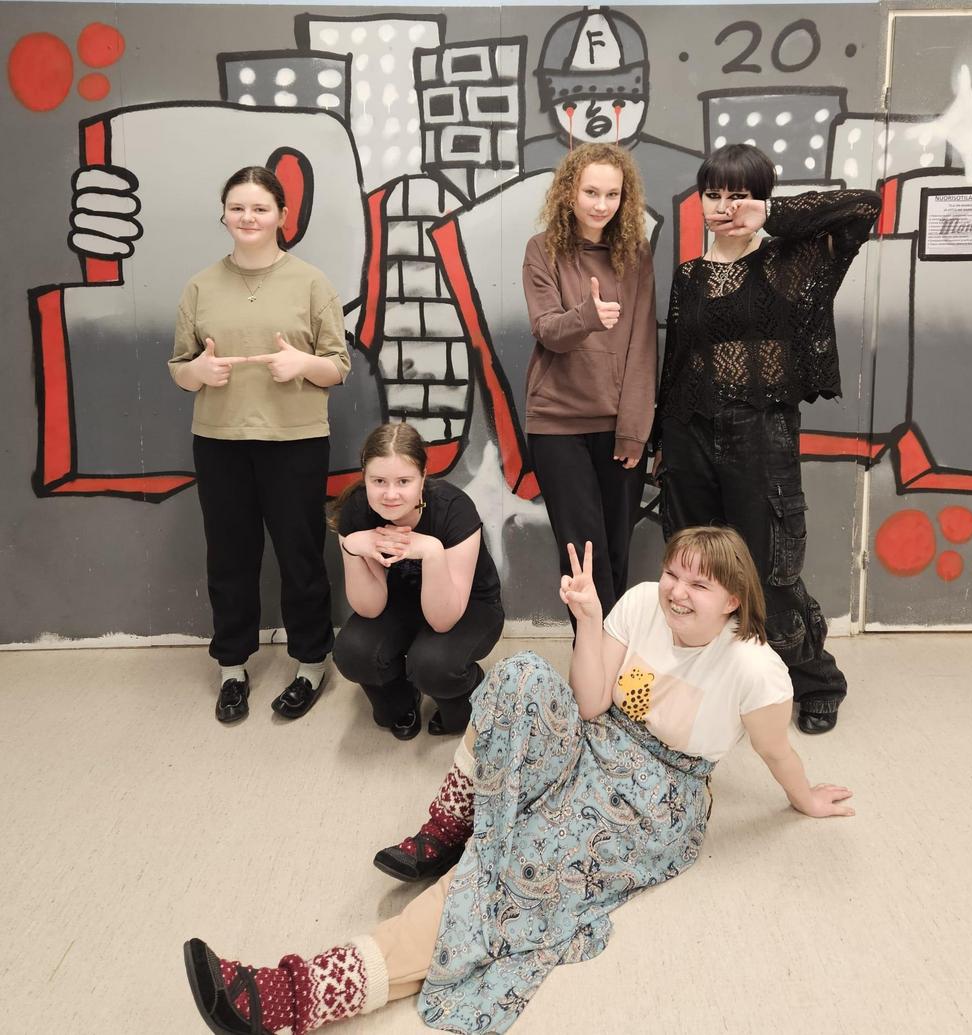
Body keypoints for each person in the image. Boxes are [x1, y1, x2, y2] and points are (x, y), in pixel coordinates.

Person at [184, 525, 854, 1035]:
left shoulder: (753, 667)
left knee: (512, 868)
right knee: (521, 677)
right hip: (599, 739)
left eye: (699, 584)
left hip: (656, 799)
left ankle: (298, 995)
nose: (677, 590)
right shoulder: (642, 603)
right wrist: (588, 620)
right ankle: (454, 820)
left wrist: (806, 799)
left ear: (733, 599)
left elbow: (775, 752)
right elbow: (590, 703)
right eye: (673, 572)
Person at [654, 144, 882, 734]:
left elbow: (865, 207)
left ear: (760, 198)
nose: (723, 207)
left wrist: (771, 216)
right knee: (697, 567)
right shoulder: (689, 275)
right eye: (713, 194)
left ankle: (817, 680)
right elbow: (677, 360)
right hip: (688, 433)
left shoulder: (791, 260)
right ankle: (720, 680)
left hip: (760, 432)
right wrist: (661, 442)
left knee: (768, 570)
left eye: (739, 195)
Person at [169, 166, 350, 724]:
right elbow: (180, 369)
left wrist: (303, 363)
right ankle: (232, 667)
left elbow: (338, 366)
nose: (248, 217)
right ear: (224, 214)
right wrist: (198, 372)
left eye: (260, 208)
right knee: (229, 557)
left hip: (295, 442)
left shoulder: (312, 283)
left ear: (281, 216)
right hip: (219, 442)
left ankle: (311, 662)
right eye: (237, 207)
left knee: (300, 555)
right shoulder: (200, 286)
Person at [522, 141, 656, 626]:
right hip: (557, 424)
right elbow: (547, 330)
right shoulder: (542, 250)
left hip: (617, 426)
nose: (601, 204)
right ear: (569, 192)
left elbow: (643, 344)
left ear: (625, 198)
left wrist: (634, 431)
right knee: (582, 560)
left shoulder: (635, 254)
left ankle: (610, 657)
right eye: (591, 192)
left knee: (616, 552)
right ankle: (592, 659)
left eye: (612, 194)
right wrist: (588, 317)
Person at [328, 423, 504, 740]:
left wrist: (432, 552)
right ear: (364, 476)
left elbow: (442, 620)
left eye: (404, 481)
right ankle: (403, 698)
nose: (390, 494)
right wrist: (353, 548)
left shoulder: (454, 510)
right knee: (353, 651)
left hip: (468, 605)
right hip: (401, 600)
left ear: (423, 477)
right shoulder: (357, 510)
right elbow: (370, 608)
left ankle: (471, 688)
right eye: (378, 481)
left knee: (433, 666)